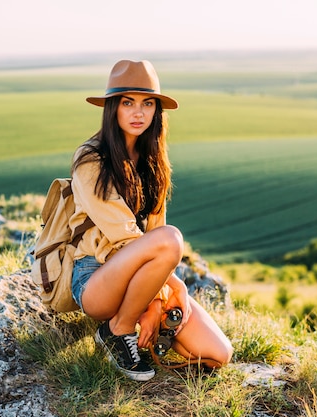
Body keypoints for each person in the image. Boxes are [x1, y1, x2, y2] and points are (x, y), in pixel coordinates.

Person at [69, 60, 233, 381]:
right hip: (97, 279)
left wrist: (156, 301)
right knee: (171, 239)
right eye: (127, 103)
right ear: (113, 108)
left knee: (218, 354)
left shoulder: (153, 162)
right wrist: (173, 285)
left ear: (157, 111)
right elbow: (127, 239)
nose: (138, 112)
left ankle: (144, 325)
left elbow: (153, 237)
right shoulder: (90, 158)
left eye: (147, 103)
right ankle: (118, 330)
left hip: (142, 279)